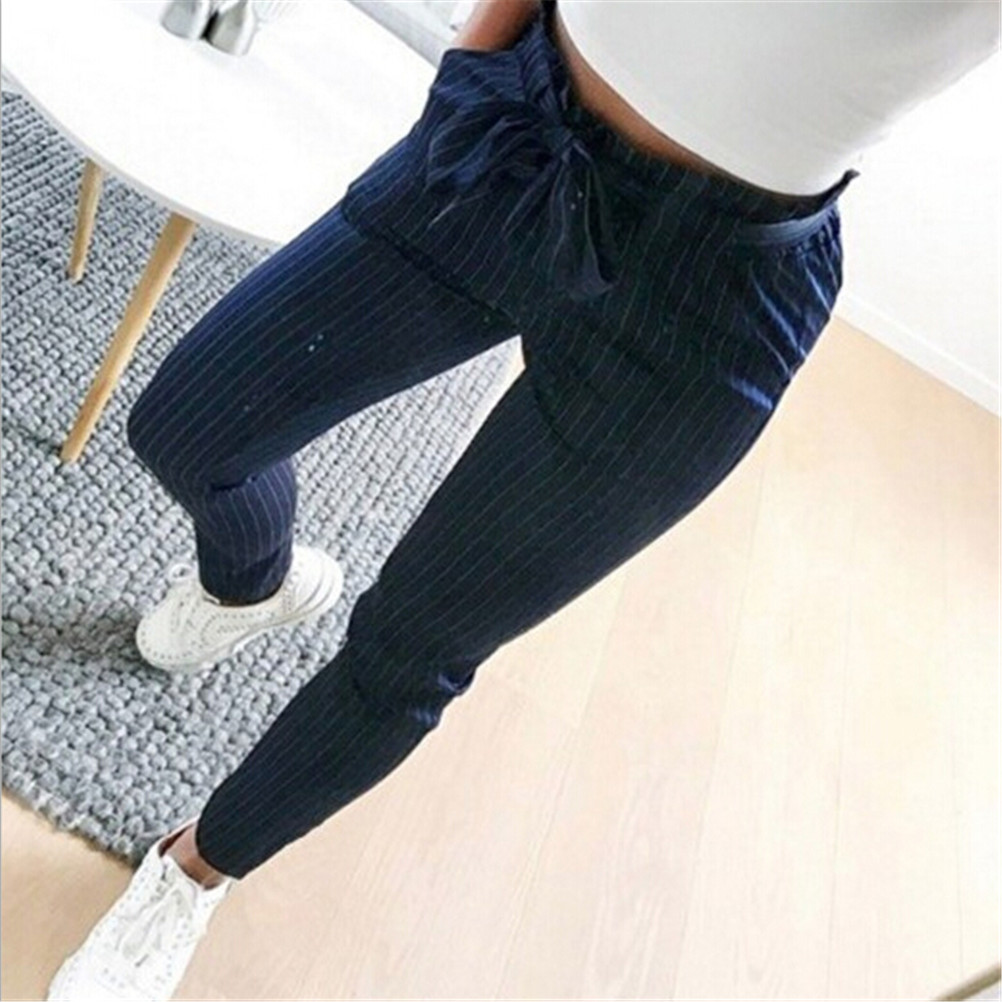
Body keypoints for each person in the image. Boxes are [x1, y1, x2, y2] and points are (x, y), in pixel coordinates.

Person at [46, 1, 999, 999]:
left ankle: (193, 871)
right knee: (189, 427)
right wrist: (478, 57)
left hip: (717, 288)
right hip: (521, 126)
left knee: (413, 650)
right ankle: (253, 585)